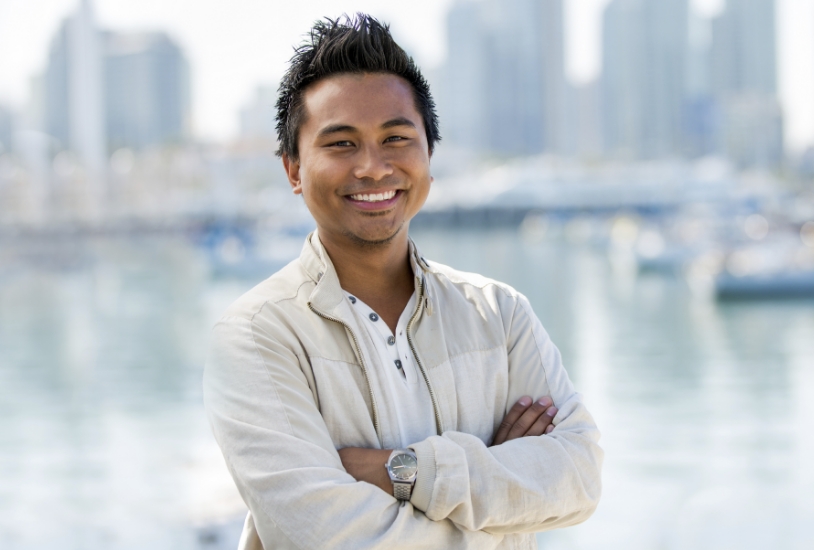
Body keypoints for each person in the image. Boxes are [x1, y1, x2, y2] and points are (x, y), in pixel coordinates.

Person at [204, 14, 602, 549]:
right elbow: (328, 538)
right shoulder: (256, 336)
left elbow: (577, 480)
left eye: (396, 137)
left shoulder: (499, 314)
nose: (373, 167)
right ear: (293, 169)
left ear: (428, 158)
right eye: (341, 144)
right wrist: (499, 498)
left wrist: (398, 471)